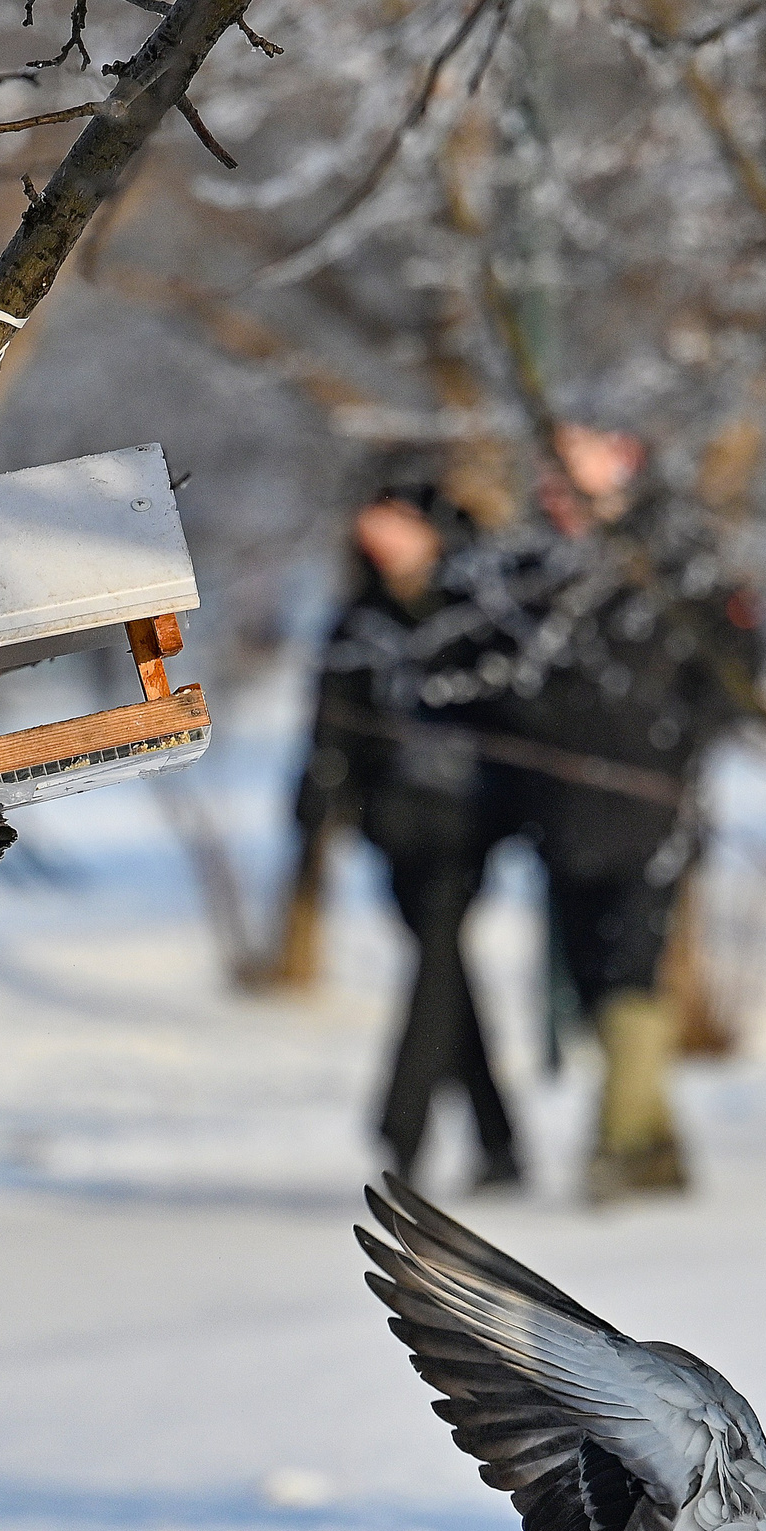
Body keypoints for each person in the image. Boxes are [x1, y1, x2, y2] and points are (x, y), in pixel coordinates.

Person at [450, 427, 761, 1202]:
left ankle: (617, 1148)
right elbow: (496, 687)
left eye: (575, 477)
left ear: (623, 469)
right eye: (551, 478)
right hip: (563, 814)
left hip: (653, 805)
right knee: (596, 981)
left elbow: (735, 671)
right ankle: (657, 1145)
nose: (558, 493)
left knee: (632, 969)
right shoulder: (525, 575)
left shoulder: (675, 566)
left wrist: (675, 740)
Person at [299, 470, 524, 1190]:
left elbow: (509, 712)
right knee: (443, 969)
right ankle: (499, 1142)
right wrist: (322, 810)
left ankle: (404, 1128)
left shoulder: (473, 613)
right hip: (391, 825)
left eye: (395, 519)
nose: (378, 533)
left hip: (467, 825)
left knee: (435, 962)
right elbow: (330, 726)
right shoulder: (356, 619)